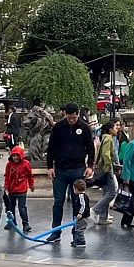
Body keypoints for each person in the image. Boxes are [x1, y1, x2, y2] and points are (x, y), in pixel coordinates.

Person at [45, 103, 96, 242]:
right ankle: (56, 232)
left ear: (77, 114)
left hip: (78, 169)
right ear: (65, 114)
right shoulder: (58, 127)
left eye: (74, 117)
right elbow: (51, 148)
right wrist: (50, 166)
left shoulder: (84, 127)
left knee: (77, 202)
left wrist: (90, 165)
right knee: (58, 202)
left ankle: (76, 232)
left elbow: (91, 148)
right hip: (60, 170)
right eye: (69, 117)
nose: (71, 120)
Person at [92, 119, 123, 225]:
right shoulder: (109, 139)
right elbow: (106, 154)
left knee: (106, 192)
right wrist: (109, 165)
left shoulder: (103, 137)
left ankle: (103, 217)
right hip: (106, 168)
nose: (117, 130)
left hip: (101, 167)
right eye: (115, 128)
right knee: (112, 192)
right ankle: (95, 210)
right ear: (110, 130)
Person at [3, 145, 34, 233]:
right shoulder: (9, 165)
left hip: (21, 189)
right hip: (12, 189)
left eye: (17, 156)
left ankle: (25, 224)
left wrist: (31, 185)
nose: (15, 158)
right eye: (14, 156)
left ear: (21, 156)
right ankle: (12, 222)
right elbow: (7, 176)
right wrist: (6, 185)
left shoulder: (26, 164)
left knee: (22, 208)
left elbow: (30, 175)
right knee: (10, 207)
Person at [71, 179, 90, 247]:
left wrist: (80, 213)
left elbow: (83, 205)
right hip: (79, 216)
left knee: (79, 229)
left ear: (76, 189)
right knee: (76, 228)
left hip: (82, 217)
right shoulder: (80, 196)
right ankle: (76, 240)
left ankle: (81, 241)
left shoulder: (81, 196)